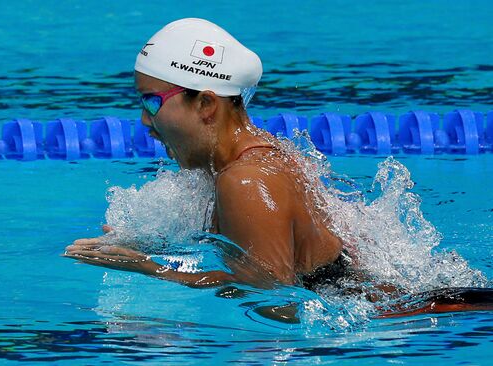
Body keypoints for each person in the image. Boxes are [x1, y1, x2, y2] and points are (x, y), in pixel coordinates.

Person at [64, 18, 344, 288]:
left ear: (206, 104)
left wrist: (148, 267)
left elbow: (275, 302)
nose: (145, 120)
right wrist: (151, 246)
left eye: (151, 102)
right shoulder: (247, 158)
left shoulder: (246, 180)